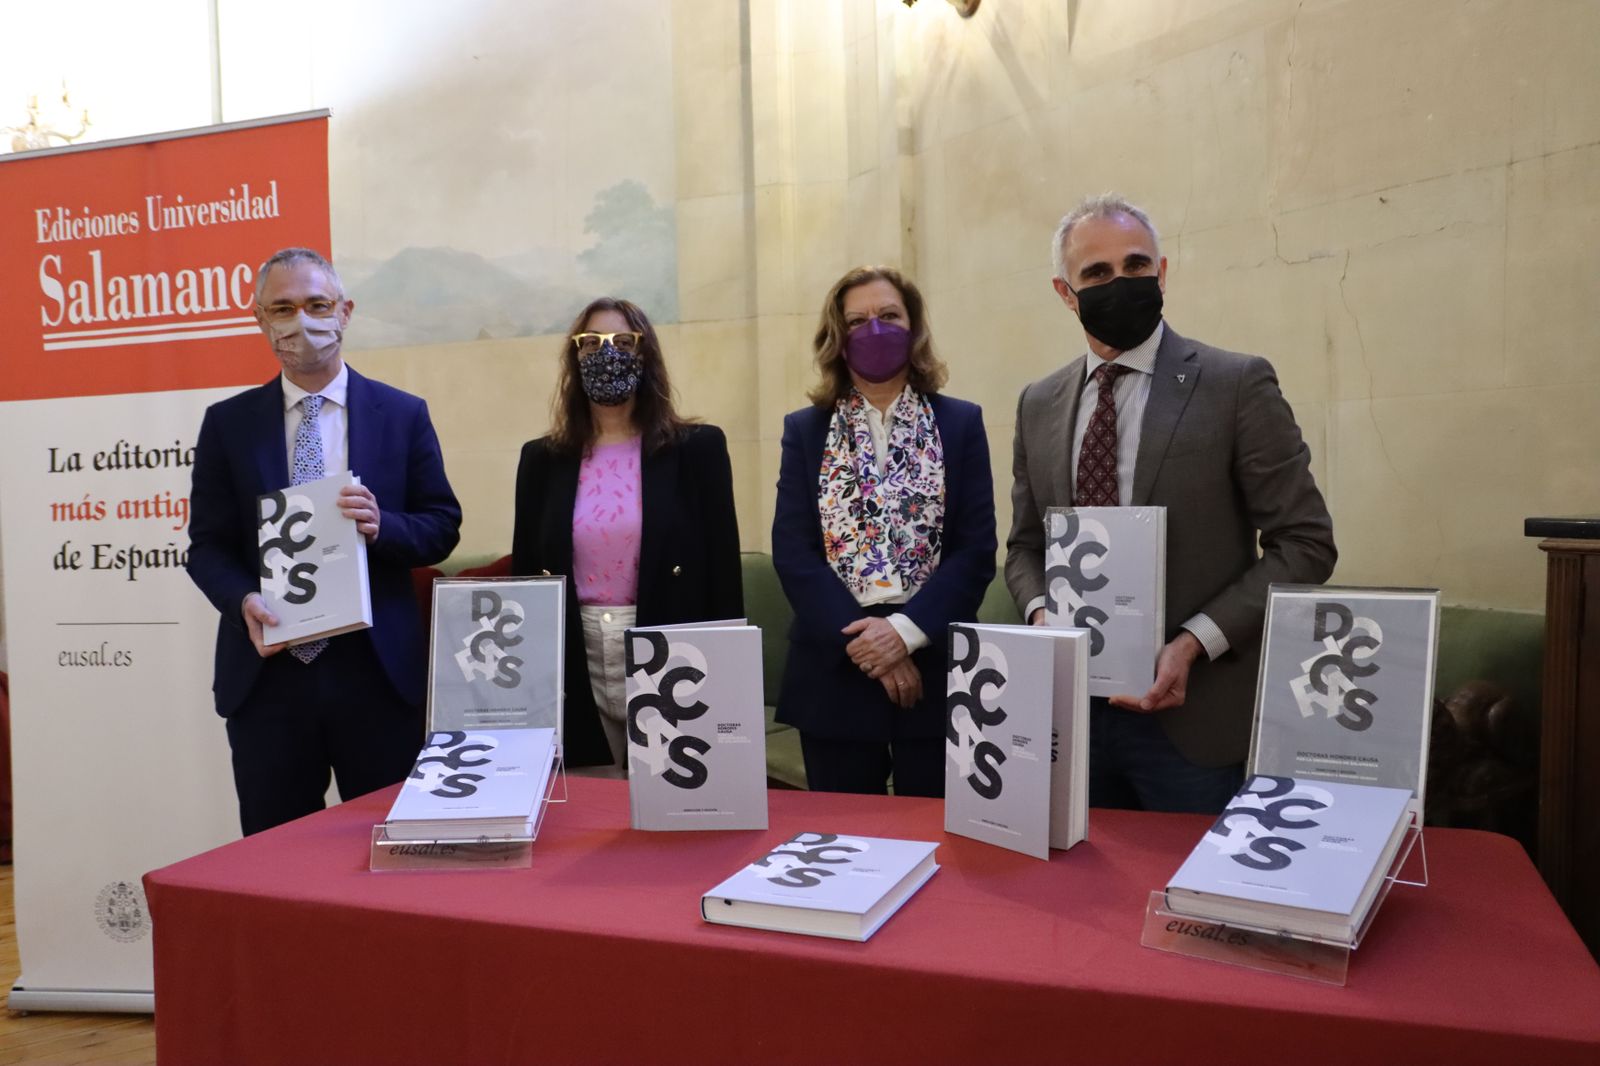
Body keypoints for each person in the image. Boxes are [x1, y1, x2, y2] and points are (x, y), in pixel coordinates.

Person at [1006, 193, 1337, 814]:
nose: (1120, 282)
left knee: (1191, 878)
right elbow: (1025, 547)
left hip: (1193, 718)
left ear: (1161, 273)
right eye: (1097, 273)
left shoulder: (1235, 384)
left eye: (1135, 265)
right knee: (1079, 877)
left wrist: (1194, 641)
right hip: (1071, 718)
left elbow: (1306, 543)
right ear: (1065, 293)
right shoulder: (1038, 403)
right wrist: (1039, 614)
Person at [187, 247, 462, 835]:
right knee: (274, 856)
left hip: (376, 674)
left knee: (392, 847)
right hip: (269, 677)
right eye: (282, 308)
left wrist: (383, 525)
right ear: (260, 320)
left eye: (317, 304)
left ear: (345, 311)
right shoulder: (227, 424)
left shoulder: (402, 414)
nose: (301, 322)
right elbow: (206, 546)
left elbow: (442, 525)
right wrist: (242, 601)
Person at [772, 266, 996, 797]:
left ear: (913, 327)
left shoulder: (960, 423)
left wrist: (903, 634)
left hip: (935, 662)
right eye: (858, 321)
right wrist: (869, 645)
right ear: (837, 336)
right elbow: (794, 552)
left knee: (934, 833)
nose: (875, 329)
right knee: (843, 835)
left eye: (889, 315)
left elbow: (975, 550)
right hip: (835, 666)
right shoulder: (805, 429)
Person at [512, 297, 743, 774]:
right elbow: (526, 577)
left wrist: (729, 675)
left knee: (669, 790)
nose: (606, 352)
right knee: (589, 796)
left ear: (645, 353)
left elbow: (723, 573)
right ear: (575, 357)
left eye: (622, 341)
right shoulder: (542, 459)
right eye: (591, 343)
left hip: (671, 641)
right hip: (576, 651)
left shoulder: (697, 450)